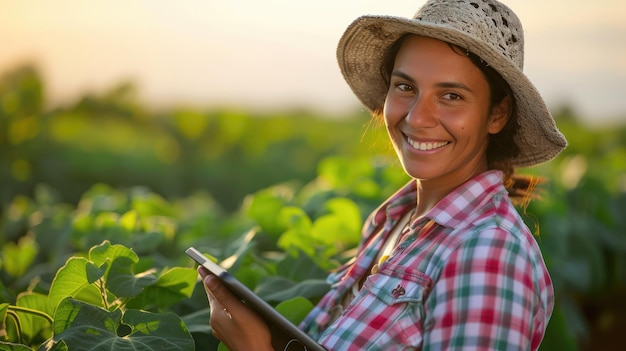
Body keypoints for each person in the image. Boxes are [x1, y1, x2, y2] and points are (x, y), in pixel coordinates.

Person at [198, 0, 567, 349]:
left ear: (497, 114)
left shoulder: (489, 252)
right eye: (405, 87)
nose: (417, 118)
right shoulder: (395, 220)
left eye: (451, 95)